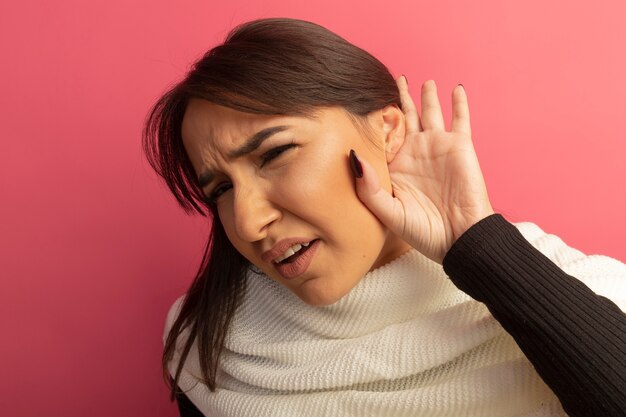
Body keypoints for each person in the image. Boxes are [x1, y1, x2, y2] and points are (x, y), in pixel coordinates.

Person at [143, 17, 626, 417]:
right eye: (222, 189)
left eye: (275, 153)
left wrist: (477, 244)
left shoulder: (570, 288)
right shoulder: (212, 347)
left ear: (388, 129)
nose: (247, 224)